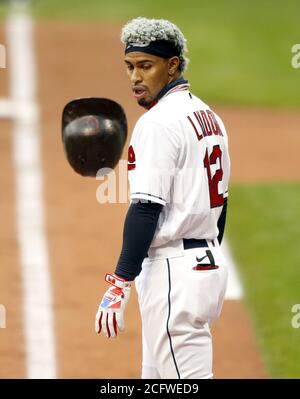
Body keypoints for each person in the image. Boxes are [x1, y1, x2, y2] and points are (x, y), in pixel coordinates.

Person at [95, 17, 230, 379]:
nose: (135, 78)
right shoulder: (207, 115)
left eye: (145, 66)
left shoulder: (158, 123)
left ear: (172, 66)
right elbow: (221, 205)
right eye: (129, 67)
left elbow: (146, 208)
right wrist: (207, 255)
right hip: (206, 264)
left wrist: (119, 283)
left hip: (175, 273)